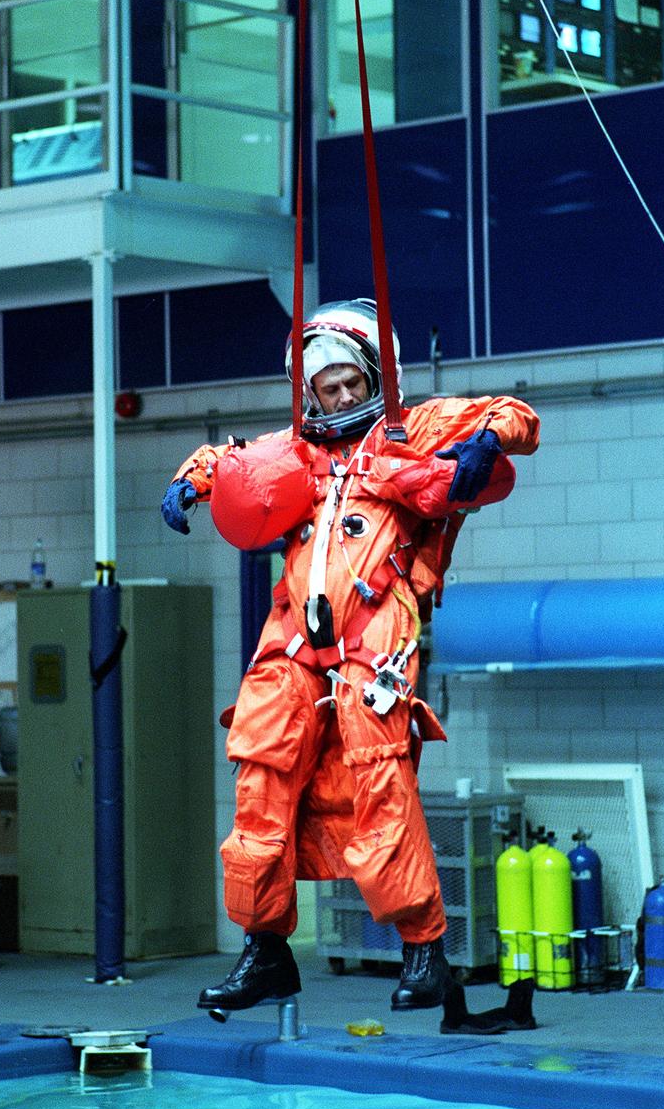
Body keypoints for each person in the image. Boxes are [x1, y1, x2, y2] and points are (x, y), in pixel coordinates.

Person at [161, 299, 539, 1016]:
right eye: (325, 389)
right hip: (293, 638)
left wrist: (486, 442)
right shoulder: (298, 449)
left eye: (350, 386)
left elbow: (515, 414)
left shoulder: (412, 428)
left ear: (375, 378)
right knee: (259, 779)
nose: (338, 399)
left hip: (376, 629)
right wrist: (193, 478)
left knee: (379, 783)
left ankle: (424, 950)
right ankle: (266, 950)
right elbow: (230, 458)